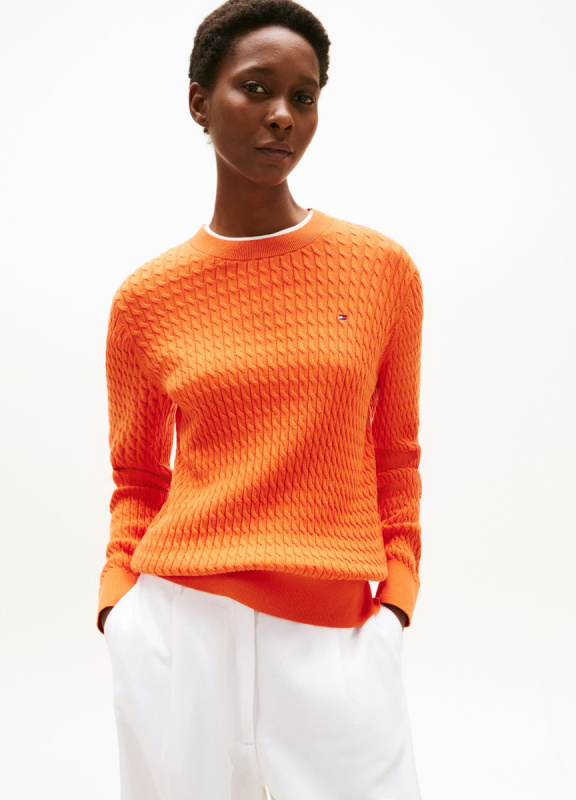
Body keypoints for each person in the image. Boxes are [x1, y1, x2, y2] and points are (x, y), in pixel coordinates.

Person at [97, 1, 424, 798]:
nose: (283, 115)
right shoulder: (146, 298)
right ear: (199, 102)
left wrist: (397, 603)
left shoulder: (380, 271)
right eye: (256, 87)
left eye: (303, 97)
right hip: (179, 632)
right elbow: (137, 477)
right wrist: (119, 608)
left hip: (336, 636)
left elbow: (396, 456)